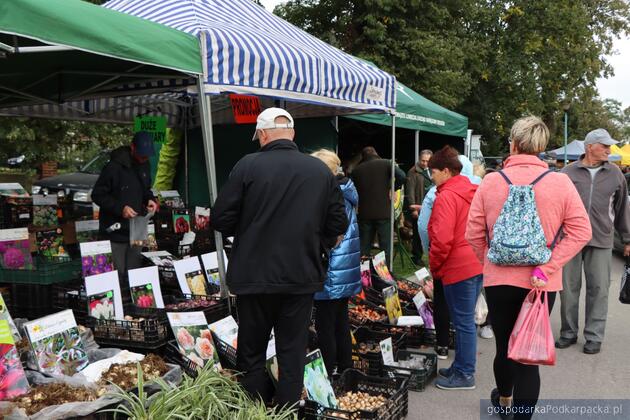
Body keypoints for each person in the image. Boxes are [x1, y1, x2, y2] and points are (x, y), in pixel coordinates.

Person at [211, 108, 348, 408]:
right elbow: (339, 222)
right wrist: (319, 244)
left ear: (262, 134)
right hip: (300, 276)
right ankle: (286, 413)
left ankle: (256, 410)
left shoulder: (247, 166)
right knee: (292, 352)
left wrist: (250, 229)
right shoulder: (320, 171)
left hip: (253, 277)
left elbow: (220, 218)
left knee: (251, 354)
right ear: (293, 134)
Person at [466, 116, 591, 419]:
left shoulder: (492, 181)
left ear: (513, 143)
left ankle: (504, 398)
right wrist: (547, 267)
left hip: (499, 282)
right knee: (527, 356)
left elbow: (472, 232)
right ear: (541, 146)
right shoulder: (560, 182)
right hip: (540, 284)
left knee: (504, 346)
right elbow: (580, 231)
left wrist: (493, 261)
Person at [557, 128, 630, 355]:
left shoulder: (615, 174)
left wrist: (627, 239)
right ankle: (568, 333)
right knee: (568, 290)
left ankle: (594, 336)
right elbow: (557, 207)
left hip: (601, 239)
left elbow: (621, 210)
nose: (609, 150)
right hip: (569, 240)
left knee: (599, 289)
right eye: (605, 146)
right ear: (590, 147)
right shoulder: (568, 172)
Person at [426, 146, 483, 390]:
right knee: (465, 321)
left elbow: (442, 239)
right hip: (475, 262)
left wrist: (435, 266)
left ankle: (465, 374)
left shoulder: (447, 196)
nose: (431, 176)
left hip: (458, 266)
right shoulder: (473, 191)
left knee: (463, 323)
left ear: (446, 171)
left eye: (434, 171)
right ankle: (460, 365)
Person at [310, 149, 362, 376]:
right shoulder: (346, 190)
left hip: (331, 268)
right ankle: (345, 367)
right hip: (344, 269)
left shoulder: (330, 195)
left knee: (325, 324)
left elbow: (327, 234)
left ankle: (329, 369)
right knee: (340, 321)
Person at [91, 131, 158, 277]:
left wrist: (150, 199)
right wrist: (121, 209)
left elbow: (145, 189)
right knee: (117, 274)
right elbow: (97, 195)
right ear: (132, 147)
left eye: (147, 156)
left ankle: (132, 299)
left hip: (137, 230)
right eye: (141, 155)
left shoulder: (145, 164)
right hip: (115, 231)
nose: (144, 159)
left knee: (134, 274)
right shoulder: (114, 167)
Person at [351, 146, 406, 264]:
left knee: (364, 246)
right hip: (384, 211)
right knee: (385, 246)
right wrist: (394, 188)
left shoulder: (356, 170)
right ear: (376, 153)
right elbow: (402, 176)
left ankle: (363, 274)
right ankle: (385, 275)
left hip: (364, 213)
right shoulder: (386, 163)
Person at [405, 149, 433, 265]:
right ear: (419, 159)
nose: (425, 163)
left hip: (430, 207)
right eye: (423, 160)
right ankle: (416, 256)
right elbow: (410, 191)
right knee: (417, 233)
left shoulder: (432, 170)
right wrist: (413, 209)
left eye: (428, 161)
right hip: (418, 206)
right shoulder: (413, 172)